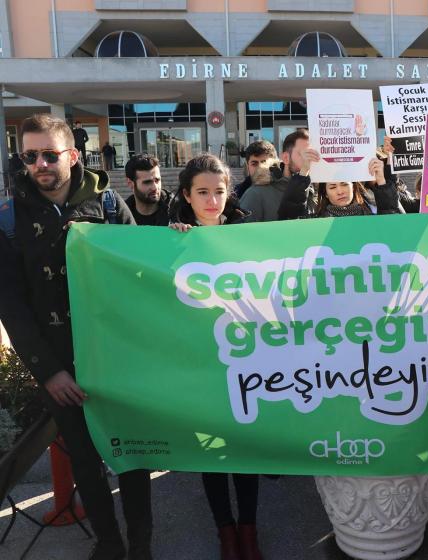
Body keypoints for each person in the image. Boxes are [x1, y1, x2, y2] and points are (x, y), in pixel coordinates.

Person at [0, 114, 151, 560]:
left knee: (134, 457)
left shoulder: (108, 206)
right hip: (59, 363)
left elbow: (141, 275)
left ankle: (142, 544)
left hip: (118, 359)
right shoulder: (8, 219)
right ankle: (109, 544)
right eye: (30, 156)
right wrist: (49, 373)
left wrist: (176, 240)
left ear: (72, 155)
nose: (40, 164)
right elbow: (12, 307)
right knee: (84, 461)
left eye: (49, 154)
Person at [168, 154, 258, 560]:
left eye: (219, 192)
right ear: (187, 195)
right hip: (200, 365)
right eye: (202, 192)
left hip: (245, 359)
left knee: (245, 448)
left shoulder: (246, 233)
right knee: (213, 450)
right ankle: (225, 531)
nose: (211, 200)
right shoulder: (170, 238)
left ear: (229, 193)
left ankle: (249, 529)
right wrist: (172, 247)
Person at [276, 147, 399, 219]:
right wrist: (304, 172)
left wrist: (381, 180)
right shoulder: (315, 223)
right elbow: (289, 215)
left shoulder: (372, 219)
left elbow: (391, 220)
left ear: (354, 188)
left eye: (345, 184)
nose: (340, 191)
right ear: (326, 193)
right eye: (332, 187)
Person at [239, 132, 315, 221]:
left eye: (314, 154)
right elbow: (244, 232)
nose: (309, 160)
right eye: (304, 154)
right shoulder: (254, 194)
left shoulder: (314, 191)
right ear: (286, 158)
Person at [125, 153, 173, 226]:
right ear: (130, 184)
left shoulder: (177, 211)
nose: (155, 187)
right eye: (147, 182)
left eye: (157, 180)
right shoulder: (121, 216)